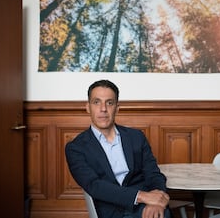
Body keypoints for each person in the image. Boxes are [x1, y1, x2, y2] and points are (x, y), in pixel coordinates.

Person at [65, 79, 171, 218]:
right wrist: (142, 196)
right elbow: (94, 186)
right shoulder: (76, 148)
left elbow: (153, 174)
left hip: (144, 208)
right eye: (96, 102)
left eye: (109, 103)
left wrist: (157, 201)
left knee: (161, 215)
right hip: (109, 210)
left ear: (117, 108)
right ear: (88, 107)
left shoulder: (136, 137)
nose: (103, 109)